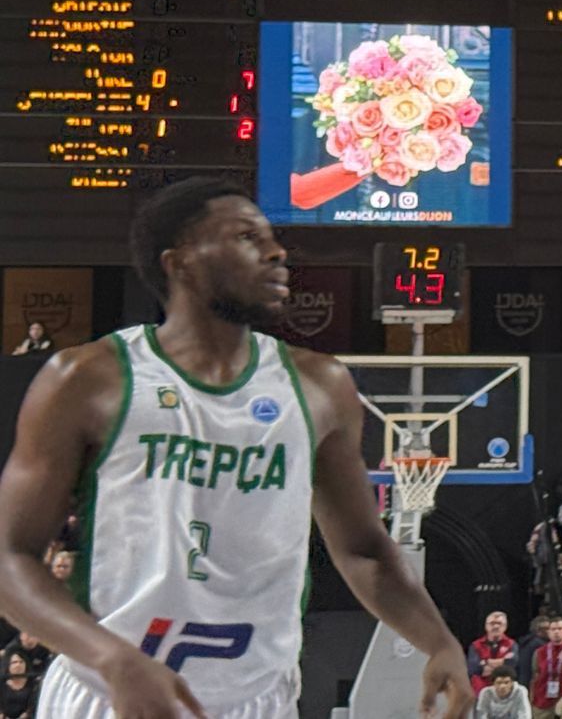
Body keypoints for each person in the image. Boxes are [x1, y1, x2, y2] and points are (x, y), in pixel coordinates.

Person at [0, 179, 471, 719]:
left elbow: (364, 549)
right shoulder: (87, 379)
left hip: (258, 700)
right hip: (111, 693)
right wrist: (110, 659)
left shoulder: (320, 385)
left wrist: (439, 640)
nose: (276, 252)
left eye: (272, 238)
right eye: (247, 237)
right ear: (181, 264)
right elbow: (10, 557)